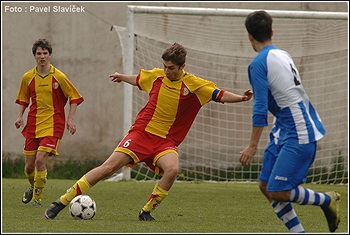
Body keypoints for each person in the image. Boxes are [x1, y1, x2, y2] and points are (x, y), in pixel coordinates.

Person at [44, 42, 253, 221]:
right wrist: (121, 76)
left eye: (171, 68)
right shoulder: (156, 76)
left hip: (165, 142)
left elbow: (219, 94)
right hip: (141, 134)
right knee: (108, 168)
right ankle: (61, 202)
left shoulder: (195, 85)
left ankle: (146, 212)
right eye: (165, 66)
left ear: (182, 67)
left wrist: (241, 98)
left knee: (172, 170)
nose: (167, 70)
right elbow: (138, 79)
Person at [239, 10, 340, 233]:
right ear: (272, 32)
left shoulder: (258, 63)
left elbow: (260, 108)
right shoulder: (282, 54)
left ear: (249, 36)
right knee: (266, 186)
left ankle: (326, 200)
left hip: (298, 131)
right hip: (285, 128)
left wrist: (253, 145)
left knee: (278, 190)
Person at [15, 39, 84, 207]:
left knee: (40, 160)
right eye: (39, 53)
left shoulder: (58, 76)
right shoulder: (27, 77)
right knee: (29, 168)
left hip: (54, 124)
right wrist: (20, 116)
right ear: (34, 56)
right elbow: (23, 99)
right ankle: (33, 186)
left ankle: (37, 199)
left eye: (45, 53)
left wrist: (71, 118)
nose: (42, 56)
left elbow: (74, 98)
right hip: (33, 124)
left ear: (50, 55)